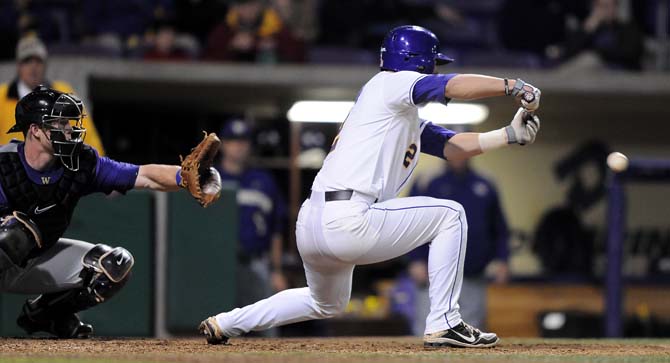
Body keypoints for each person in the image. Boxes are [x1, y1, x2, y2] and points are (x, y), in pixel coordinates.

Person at [199, 25, 541, 348]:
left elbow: (453, 146)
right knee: (451, 215)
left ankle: (226, 323)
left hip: (314, 222)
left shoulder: (393, 112)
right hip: (350, 217)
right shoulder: (389, 84)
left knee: (325, 302)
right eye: (432, 63)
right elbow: (451, 86)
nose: (434, 70)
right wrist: (511, 85)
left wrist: (508, 135)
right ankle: (444, 321)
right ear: (416, 61)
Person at [0, 86, 221, 338]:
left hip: (35, 260)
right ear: (35, 130)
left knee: (113, 265)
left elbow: (143, 175)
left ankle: (44, 315)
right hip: (6, 253)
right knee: (14, 234)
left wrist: (183, 176)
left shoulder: (80, 163)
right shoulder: (5, 165)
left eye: (68, 122)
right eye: (59, 122)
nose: (69, 129)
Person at [405, 157, 510, 334]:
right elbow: (410, 223)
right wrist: (414, 260)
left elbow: (499, 228)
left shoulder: (485, 182)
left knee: (472, 332)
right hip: (433, 277)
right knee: (429, 331)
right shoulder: (427, 180)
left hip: (473, 275)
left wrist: (502, 259)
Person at [216, 119, 288, 309]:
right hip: (217, 263)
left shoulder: (263, 180)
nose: (238, 146)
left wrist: (276, 271)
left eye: (243, 141)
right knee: (217, 325)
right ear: (223, 144)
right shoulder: (210, 178)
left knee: (266, 323)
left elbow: (276, 229)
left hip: (255, 261)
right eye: (233, 140)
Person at [0, 36, 106, 154]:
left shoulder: (63, 94)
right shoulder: (2, 97)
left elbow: (88, 137)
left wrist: (97, 167)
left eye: (38, 61)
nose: (33, 67)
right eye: (27, 61)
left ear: (46, 65)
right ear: (18, 66)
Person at [548, 0, 644, 71]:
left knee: (590, 59)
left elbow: (629, 53)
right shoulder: (590, 28)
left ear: (615, 8)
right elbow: (568, 53)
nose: (605, 10)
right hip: (587, 76)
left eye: (609, 6)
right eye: (600, 6)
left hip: (618, 72)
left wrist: (598, 52)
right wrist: (587, 30)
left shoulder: (627, 28)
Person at [203, 0, 305, 63]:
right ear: (235, 7)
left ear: (260, 5)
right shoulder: (224, 30)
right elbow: (207, 62)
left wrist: (275, 48)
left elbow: (299, 59)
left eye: (252, 4)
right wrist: (231, 47)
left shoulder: (277, 27)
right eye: (243, 4)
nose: (248, 9)